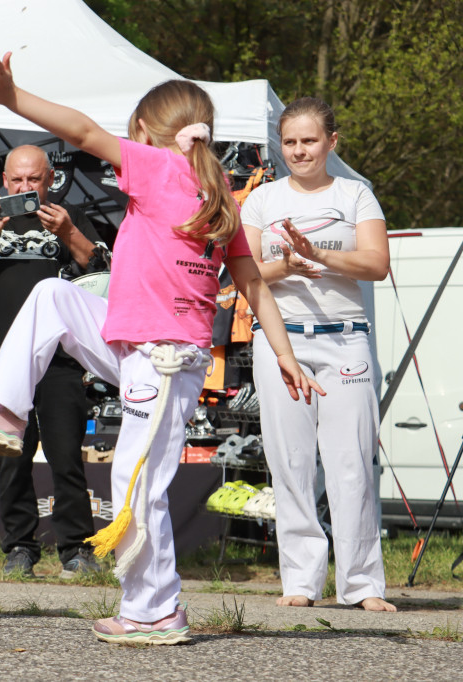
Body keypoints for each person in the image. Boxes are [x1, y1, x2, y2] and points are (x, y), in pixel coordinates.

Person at [0, 53, 322, 645]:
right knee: (51, 295)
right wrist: (286, 353)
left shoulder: (160, 169)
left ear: (145, 132)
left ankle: (156, 611)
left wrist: (15, 100)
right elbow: (251, 285)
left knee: (137, 484)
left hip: (163, 358)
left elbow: (83, 131)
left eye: (132, 133)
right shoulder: (219, 191)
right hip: (134, 342)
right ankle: (5, 409)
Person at [240, 97, 395, 612]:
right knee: (291, 462)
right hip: (280, 339)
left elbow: (376, 264)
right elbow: (244, 277)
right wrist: (286, 266)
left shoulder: (356, 195)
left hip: (345, 337)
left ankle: (362, 585)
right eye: (290, 142)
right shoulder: (260, 199)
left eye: (309, 140)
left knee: (351, 463)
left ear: (332, 142)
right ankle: (301, 581)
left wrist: (319, 256)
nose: (299, 151)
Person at [0, 144, 105, 579]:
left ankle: (76, 549)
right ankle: (20, 546)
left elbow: (101, 267)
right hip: (4, 355)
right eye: (16, 180)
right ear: (4, 179)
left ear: (50, 178)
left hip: (60, 353)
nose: (24, 188)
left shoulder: (67, 213)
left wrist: (69, 231)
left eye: (33, 180)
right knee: (10, 455)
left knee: (65, 454)